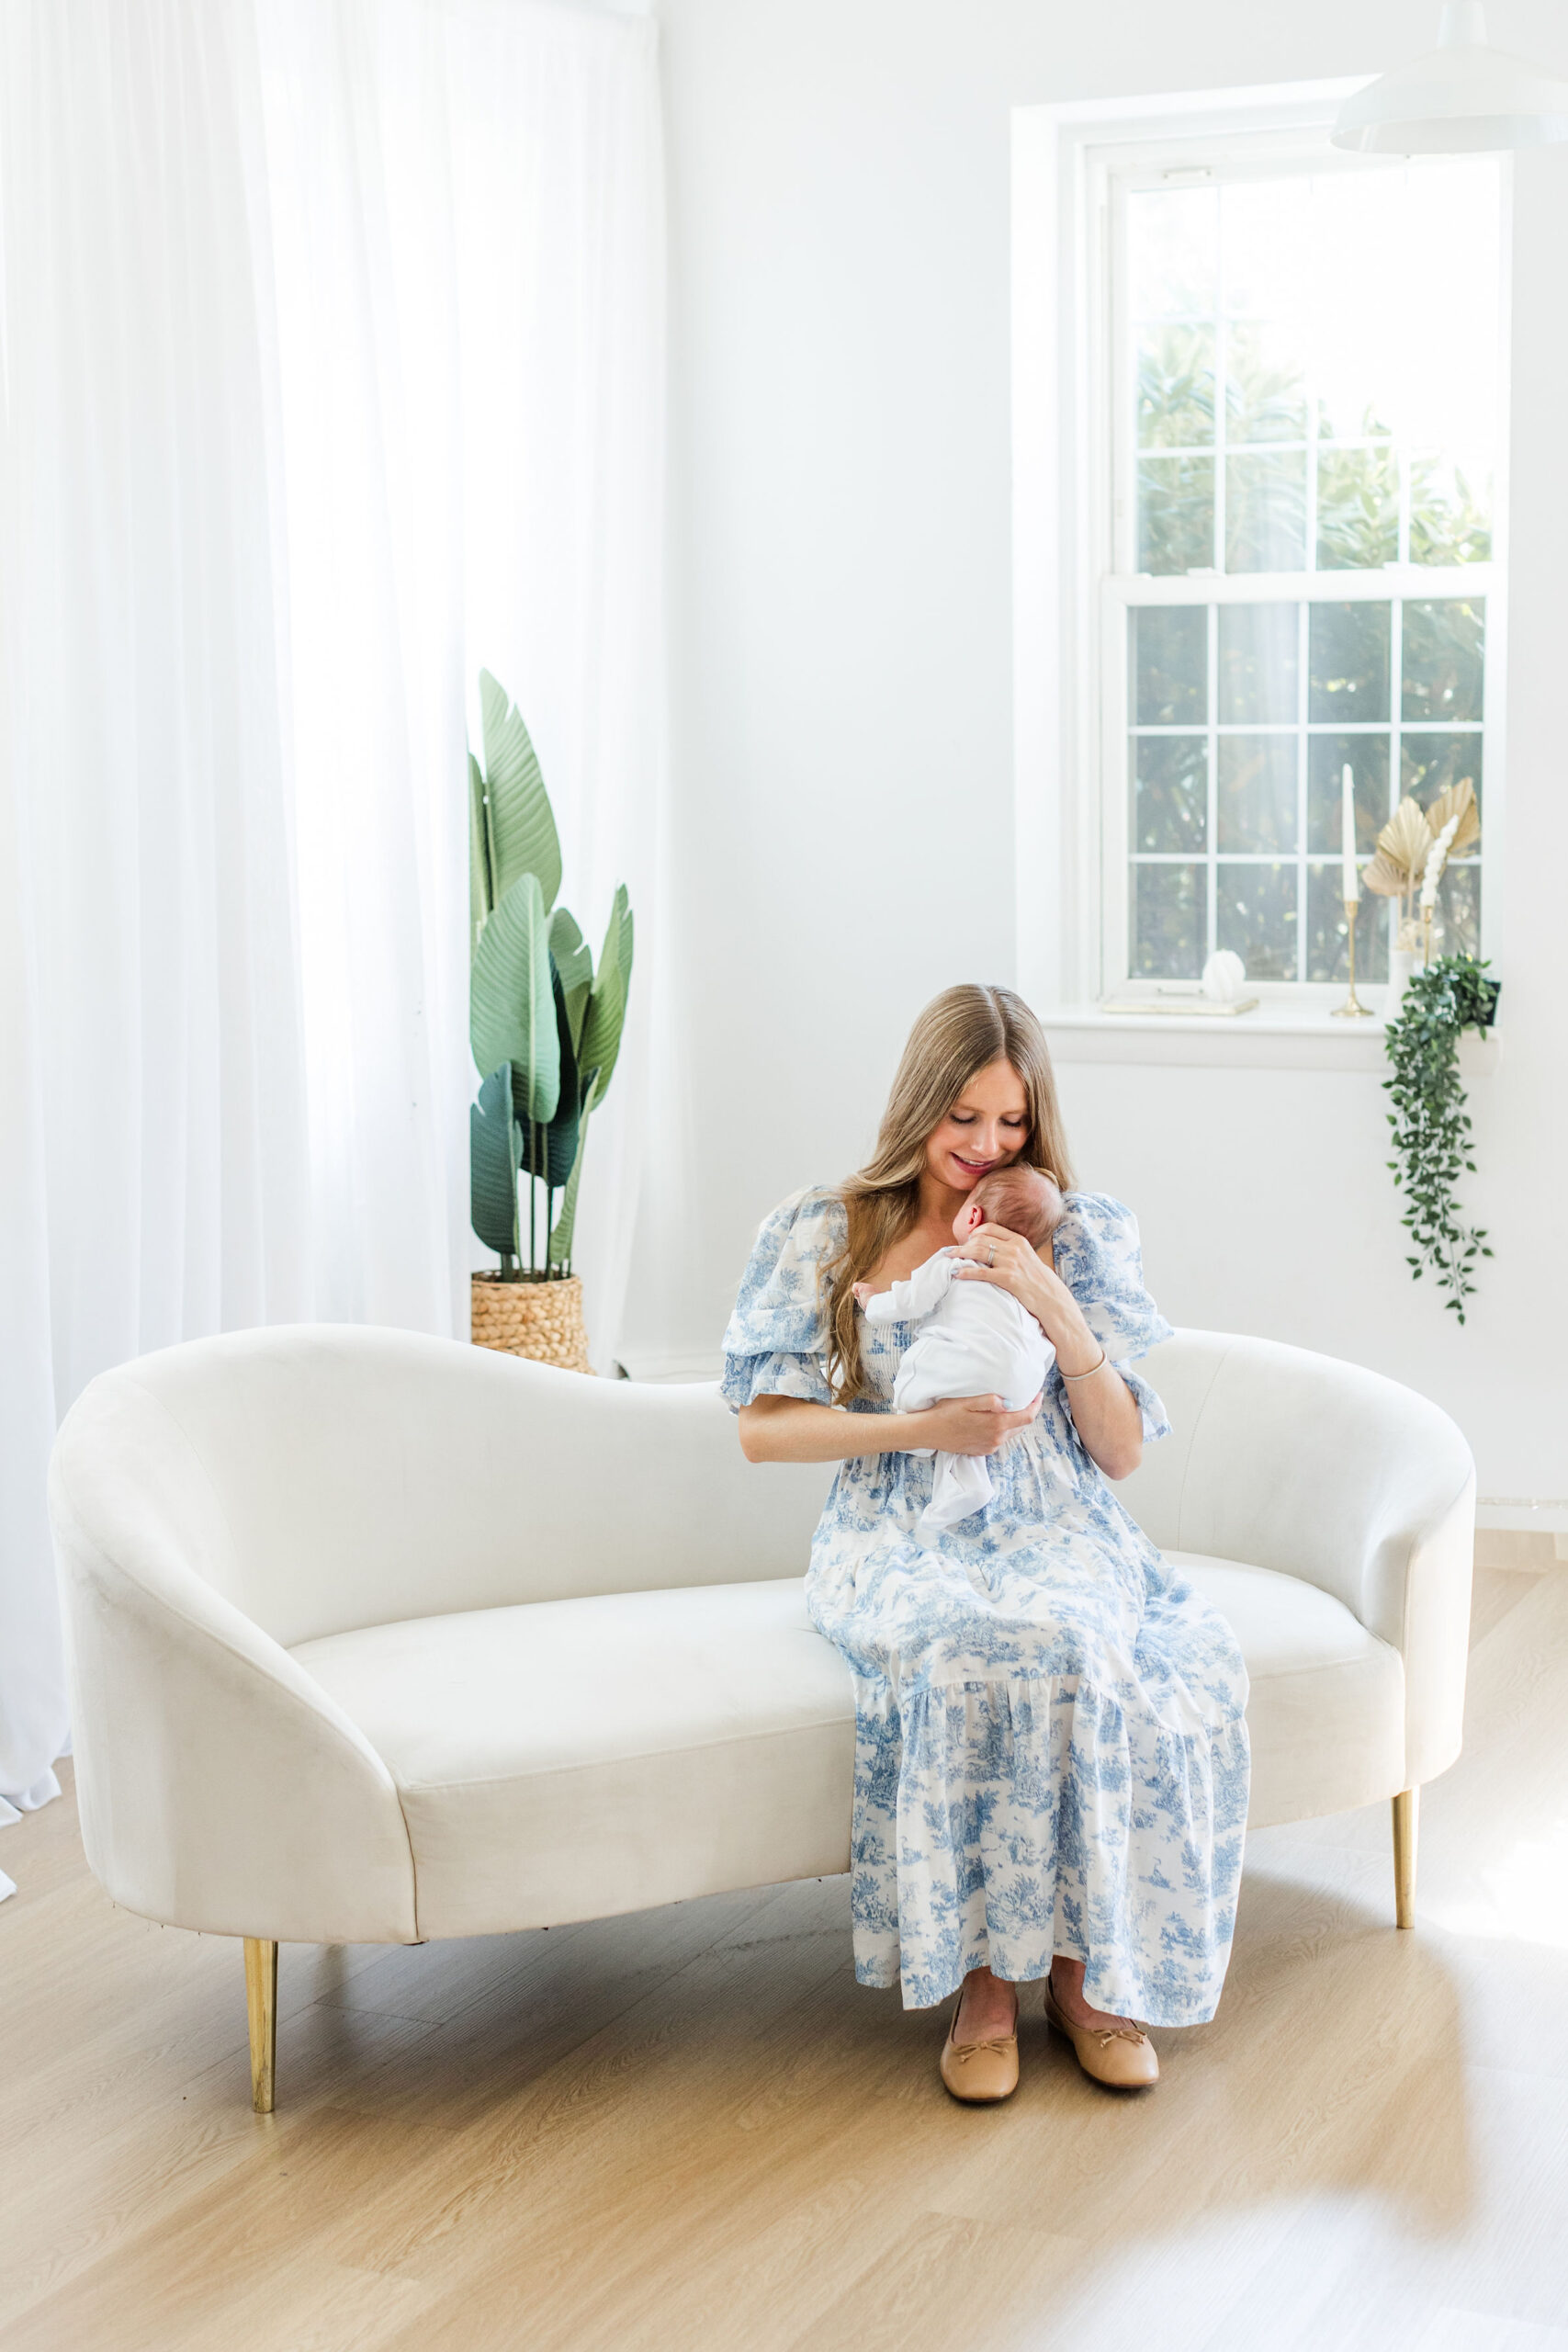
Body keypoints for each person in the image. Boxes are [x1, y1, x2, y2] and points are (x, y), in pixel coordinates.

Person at [720, 983, 1249, 2104]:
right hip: (894, 1512)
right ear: (919, 1102)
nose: (985, 1145)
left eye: (1010, 1120)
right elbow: (762, 1433)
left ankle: (1083, 1972)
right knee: (962, 1640)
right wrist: (922, 1428)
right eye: (962, 1117)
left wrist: (1054, 1305)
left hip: (1059, 1511)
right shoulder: (828, 1228)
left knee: (1074, 1635)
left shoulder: (1067, 1224)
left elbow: (1119, 1456)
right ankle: (983, 1986)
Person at [853, 1164, 1066, 1536]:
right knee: (970, 1419)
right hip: (1021, 1389)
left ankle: (920, 1443)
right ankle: (969, 1482)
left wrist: (874, 1302)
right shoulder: (1026, 1282)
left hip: (969, 1368)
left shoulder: (956, 1259)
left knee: (919, 1374)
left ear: (973, 1215)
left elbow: (911, 1301)